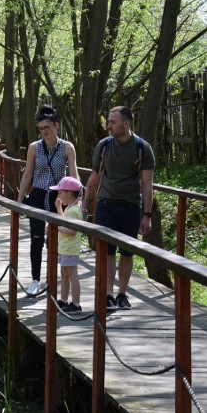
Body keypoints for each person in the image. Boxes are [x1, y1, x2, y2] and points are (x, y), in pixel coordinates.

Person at [84, 106, 155, 311]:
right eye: (108, 121)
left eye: (113, 122)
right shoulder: (104, 145)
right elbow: (95, 176)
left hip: (131, 205)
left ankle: (122, 293)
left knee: (126, 253)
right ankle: (107, 294)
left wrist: (147, 215)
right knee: (106, 251)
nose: (108, 125)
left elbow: (147, 183)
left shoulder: (142, 147)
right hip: (106, 204)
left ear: (126, 124)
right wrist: (83, 203)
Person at [17, 105, 78, 296]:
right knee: (36, 239)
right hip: (36, 195)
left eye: (47, 128)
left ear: (56, 126)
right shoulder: (34, 147)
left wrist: (78, 200)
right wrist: (19, 201)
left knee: (54, 239)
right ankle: (35, 279)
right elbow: (28, 174)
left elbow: (74, 175)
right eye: (41, 128)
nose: (44, 132)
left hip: (56, 197)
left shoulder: (67, 148)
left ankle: (51, 279)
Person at [50, 176, 84, 313]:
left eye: (60, 193)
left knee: (72, 275)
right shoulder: (69, 208)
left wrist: (55, 227)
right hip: (64, 248)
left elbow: (72, 231)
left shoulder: (75, 211)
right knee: (64, 274)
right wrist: (59, 209)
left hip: (70, 248)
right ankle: (63, 300)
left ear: (69, 193)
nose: (58, 195)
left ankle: (76, 304)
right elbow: (64, 222)